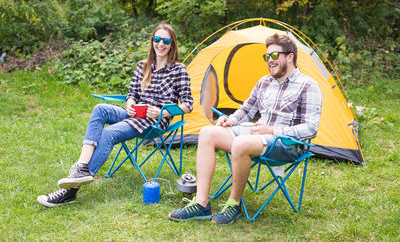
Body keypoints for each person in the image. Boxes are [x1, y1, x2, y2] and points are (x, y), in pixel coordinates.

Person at [169, 33, 323, 224]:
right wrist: (230, 121)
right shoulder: (264, 82)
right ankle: (201, 204)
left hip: (287, 144)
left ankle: (234, 204)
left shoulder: (309, 86)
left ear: (290, 56)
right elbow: (246, 111)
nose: (270, 61)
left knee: (241, 143)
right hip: (259, 138)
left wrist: (273, 131)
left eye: (274, 56)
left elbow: (311, 128)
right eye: (267, 57)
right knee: (207, 133)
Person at [37, 22, 193, 207]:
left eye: (166, 40)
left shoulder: (178, 70)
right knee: (99, 108)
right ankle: (81, 167)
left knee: (109, 133)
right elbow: (132, 94)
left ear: (172, 44)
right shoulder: (142, 66)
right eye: (157, 39)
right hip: (135, 115)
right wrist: (130, 104)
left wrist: (162, 112)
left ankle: (69, 191)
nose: (161, 44)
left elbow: (187, 105)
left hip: (154, 121)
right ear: (152, 41)